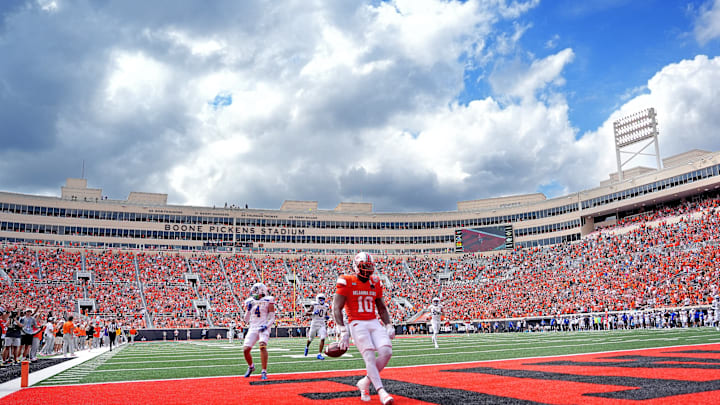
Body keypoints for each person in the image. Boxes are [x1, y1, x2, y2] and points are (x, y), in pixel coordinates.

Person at [333, 252, 395, 405]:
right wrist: (343, 330)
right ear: (356, 266)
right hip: (356, 323)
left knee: (387, 352)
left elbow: (381, 307)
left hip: (373, 321)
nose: (367, 270)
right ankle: (381, 392)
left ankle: (365, 382)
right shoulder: (346, 280)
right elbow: (336, 307)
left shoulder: (375, 281)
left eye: (369, 267)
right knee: (369, 356)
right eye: (364, 267)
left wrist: (388, 324)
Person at [242, 282, 275, 380]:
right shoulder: (250, 301)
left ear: (262, 291)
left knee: (262, 346)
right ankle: (251, 367)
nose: (254, 292)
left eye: (256, 290)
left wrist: (266, 326)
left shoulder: (268, 300)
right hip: (253, 327)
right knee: (245, 350)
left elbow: (272, 318)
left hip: (263, 326)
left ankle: (264, 371)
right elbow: (246, 320)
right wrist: (248, 310)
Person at [304, 293, 329, 360]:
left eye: (323, 299)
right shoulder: (314, 305)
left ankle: (319, 354)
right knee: (310, 339)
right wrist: (312, 313)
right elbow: (306, 313)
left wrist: (326, 317)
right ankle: (307, 347)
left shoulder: (326, 306)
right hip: (314, 324)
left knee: (323, 337)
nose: (322, 300)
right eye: (320, 299)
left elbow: (325, 314)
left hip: (322, 324)